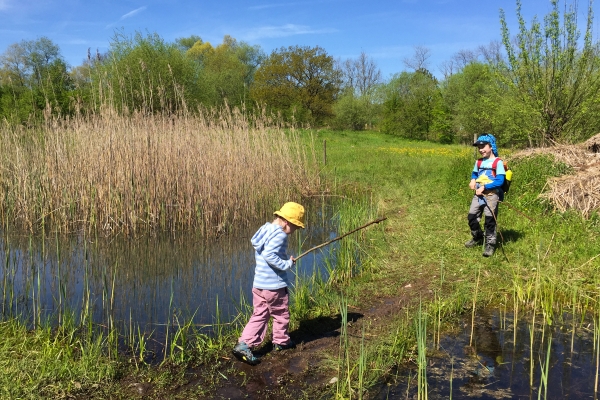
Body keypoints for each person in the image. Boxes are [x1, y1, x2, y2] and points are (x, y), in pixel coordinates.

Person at [232, 202, 305, 365]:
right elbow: (270, 255)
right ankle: (281, 342)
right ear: (287, 221)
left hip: (259, 284)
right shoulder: (280, 235)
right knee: (281, 314)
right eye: (295, 227)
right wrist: (287, 264)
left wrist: (285, 259)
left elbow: (266, 253)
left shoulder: (265, 229)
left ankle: (244, 344)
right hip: (274, 286)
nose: (294, 231)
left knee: (260, 314)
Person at [465, 134, 505, 257]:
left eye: (483, 146)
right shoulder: (478, 162)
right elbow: (474, 174)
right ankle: (477, 236)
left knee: (490, 221)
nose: (481, 149)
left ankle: (490, 244)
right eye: (479, 147)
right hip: (478, 195)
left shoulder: (498, 162)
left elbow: (500, 181)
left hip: (491, 195)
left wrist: (485, 187)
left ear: (491, 146)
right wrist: (473, 180)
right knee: (471, 217)